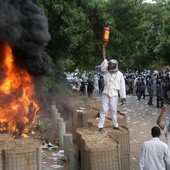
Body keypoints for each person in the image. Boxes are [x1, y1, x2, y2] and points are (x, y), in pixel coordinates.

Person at [98, 43, 126, 134]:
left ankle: (115, 125)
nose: (109, 65)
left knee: (114, 110)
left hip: (114, 94)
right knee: (104, 109)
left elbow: (122, 86)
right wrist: (103, 47)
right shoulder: (106, 70)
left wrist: (123, 97)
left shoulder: (120, 74)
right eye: (109, 64)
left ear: (115, 65)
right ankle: (100, 126)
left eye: (111, 64)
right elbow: (104, 58)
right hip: (106, 92)